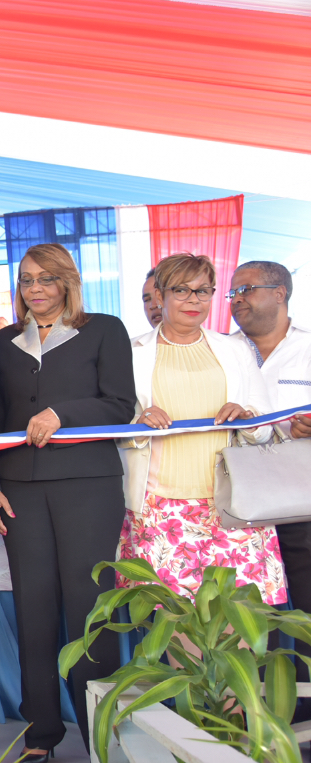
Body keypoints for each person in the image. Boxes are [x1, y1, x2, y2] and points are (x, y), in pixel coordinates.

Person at [0, 244, 137, 759]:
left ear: (68, 282)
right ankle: (40, 734)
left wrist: (61, 413)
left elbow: (119, 404)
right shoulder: (3, 341)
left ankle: (101, 736)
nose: (35, 288)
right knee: (33, 611)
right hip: (20, 488)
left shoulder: (104, 329)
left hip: (88, 486)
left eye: (46, 278)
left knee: (89, 609)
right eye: (27, 279)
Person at [117, 254, 285, 606]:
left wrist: (246, 418)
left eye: (203, 290)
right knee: (175, 623)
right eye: (181, 290)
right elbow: (115, 430)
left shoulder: (236, 348)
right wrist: (138, 423)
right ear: (159, 295)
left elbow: (265, 427)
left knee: (236, 622)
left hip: (231, 503)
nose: (194, 300)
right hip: (159, 507)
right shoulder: (130, 352)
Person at [228, 261, 311, 680]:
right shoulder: (221, 351)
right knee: (252, 622)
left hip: (301, 503)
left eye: (247, 289)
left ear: (280, 293)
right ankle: (262, 708)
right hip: (240, 505)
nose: (236, 299)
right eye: (232, 293)